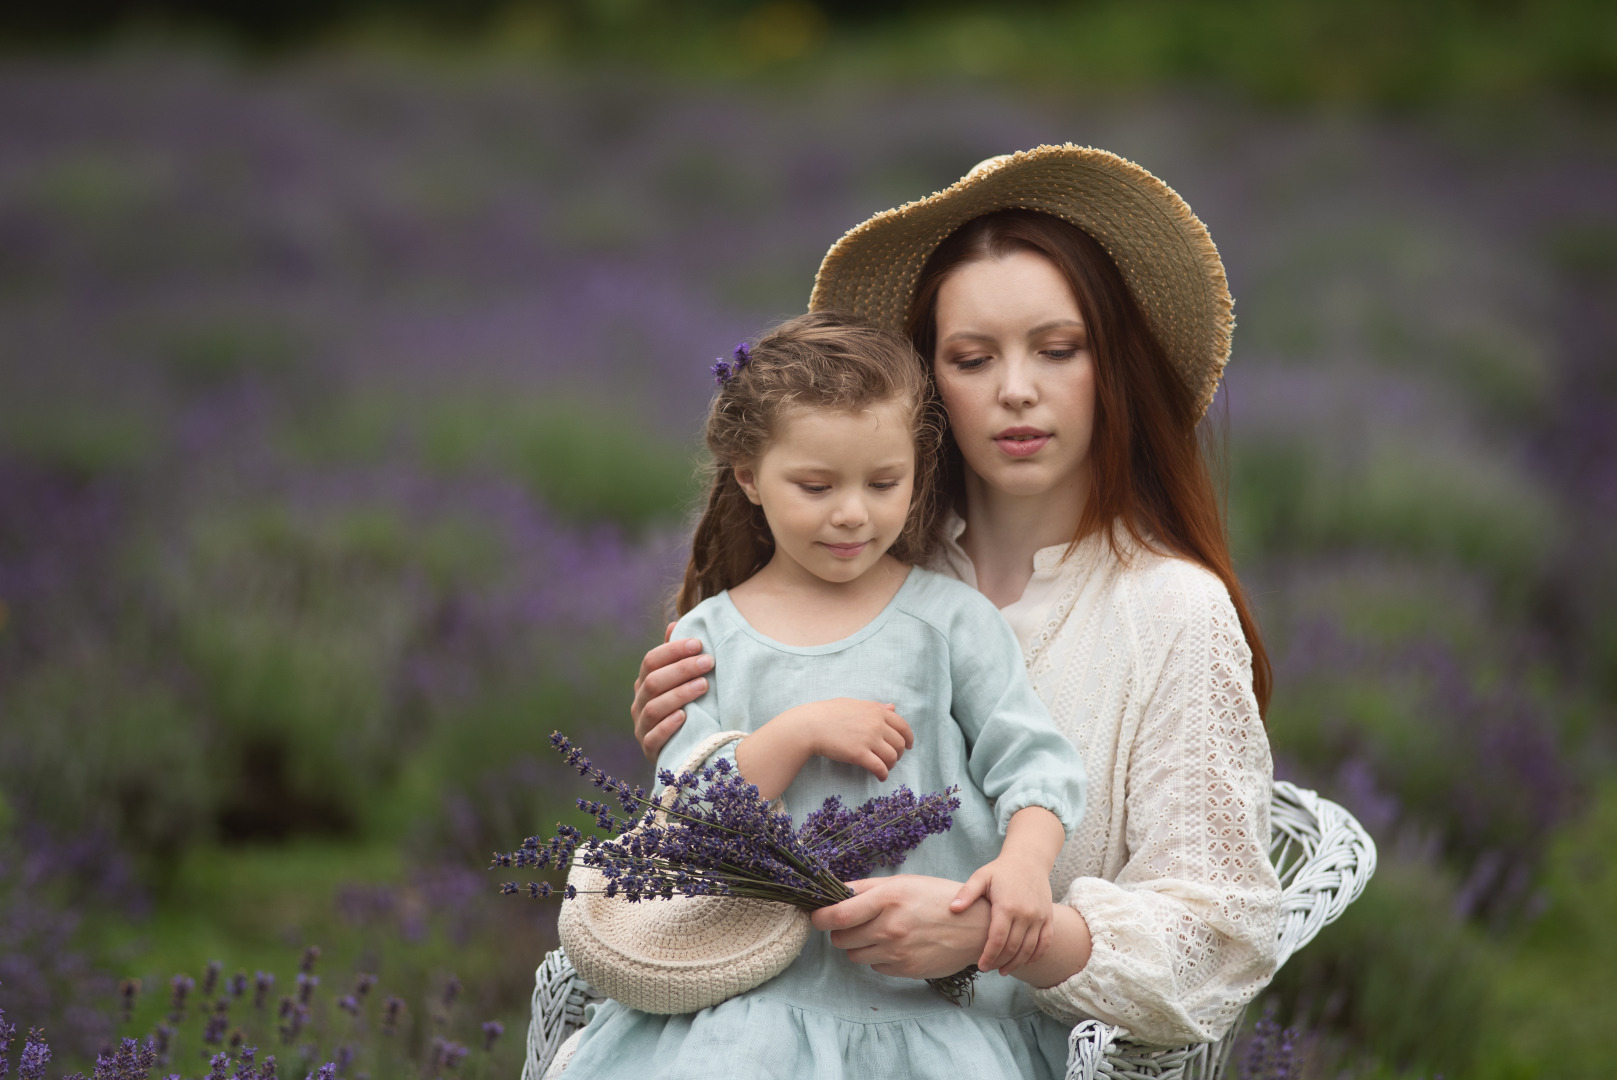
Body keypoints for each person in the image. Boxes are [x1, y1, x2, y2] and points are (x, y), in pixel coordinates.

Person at [631, 145, 1284, 1051]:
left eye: (1058, 350)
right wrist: (710, 733)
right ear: (924, 391)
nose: (1017, 390)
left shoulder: (1172, 611)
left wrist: (999, 935)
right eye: (972, 359)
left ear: (1113, 367)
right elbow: (696, 827)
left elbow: (1218, 946)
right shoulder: (852, 568)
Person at [557, 312, 1089, 1078]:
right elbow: (688, 820)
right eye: (815, 485)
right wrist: (795, 732)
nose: (851, 513)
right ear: (748, 476)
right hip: (745, 1000)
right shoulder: (710, 637)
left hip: (922, 1008)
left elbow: (1035, 764)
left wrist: (1024, 867)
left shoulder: (950, 623)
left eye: (883, 483)